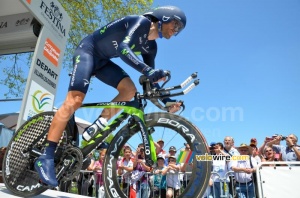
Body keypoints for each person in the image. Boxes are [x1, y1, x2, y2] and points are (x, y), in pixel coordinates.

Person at [34, 5, 187, 187]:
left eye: (179, 29)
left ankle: (99, 123)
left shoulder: (151, 47)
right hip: (87, 52)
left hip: (103, 62)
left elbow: (150, 80)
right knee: (75, 100)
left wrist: (168, 102)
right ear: (163, 17)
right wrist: (148, 70)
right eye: (176, 24)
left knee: (129, 90)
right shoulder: (141, 22)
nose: (176, 30)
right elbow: (123, 48)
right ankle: (46, 156)